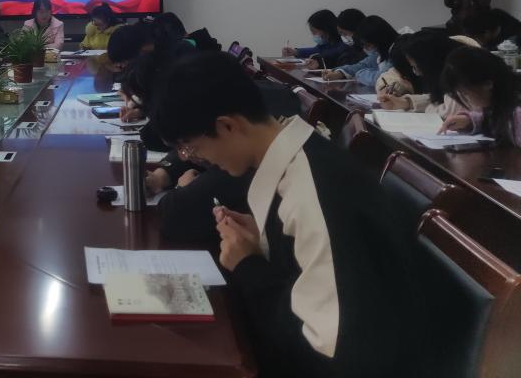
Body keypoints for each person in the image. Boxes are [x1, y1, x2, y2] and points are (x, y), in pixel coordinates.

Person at [153, 51, 417, 377]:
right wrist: (262, 243)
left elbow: (331, 354)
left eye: (192, 147)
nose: (195, 158)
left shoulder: (314, 191)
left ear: (227, 126)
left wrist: (247, 265)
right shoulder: (300, 153)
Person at [439, 46, 521, 146]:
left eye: (465, 93)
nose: (465, 99)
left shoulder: (516, 114)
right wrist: (470, 121)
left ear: (487, 84)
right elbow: (493, 118)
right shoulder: (502, 106)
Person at [378, 33, 478, 114]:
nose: (417, 73)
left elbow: (448, 112)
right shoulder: (447, 66)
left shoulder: (461, 73)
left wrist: (428, 108)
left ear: (430, 64)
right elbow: (438, 99)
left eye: (416, 67)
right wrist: (406, 102)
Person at [321, 15, 398, 86]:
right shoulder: (382, 52)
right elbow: (363, 65)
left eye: (368, 45)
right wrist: (339, 72)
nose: (366, 48)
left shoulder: (398, 51)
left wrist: (360, 74)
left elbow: (383, 79)